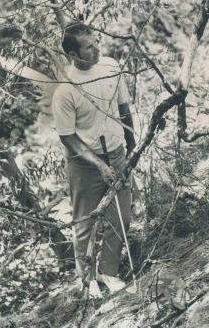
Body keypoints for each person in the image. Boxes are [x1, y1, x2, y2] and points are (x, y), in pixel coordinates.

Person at [52, 23, 136, 295]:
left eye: (96, 41)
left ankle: (109, 272)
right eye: (89, 46)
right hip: (84, 163)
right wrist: (98, 165)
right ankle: (87, 280)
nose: (97, 48)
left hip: (117, 154)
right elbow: (67, 136)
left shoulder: (111, 67)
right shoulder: (65, 89)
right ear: (74, 54)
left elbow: (123, 108)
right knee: (84, 224)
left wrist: (132, 145)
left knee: (121, 217)